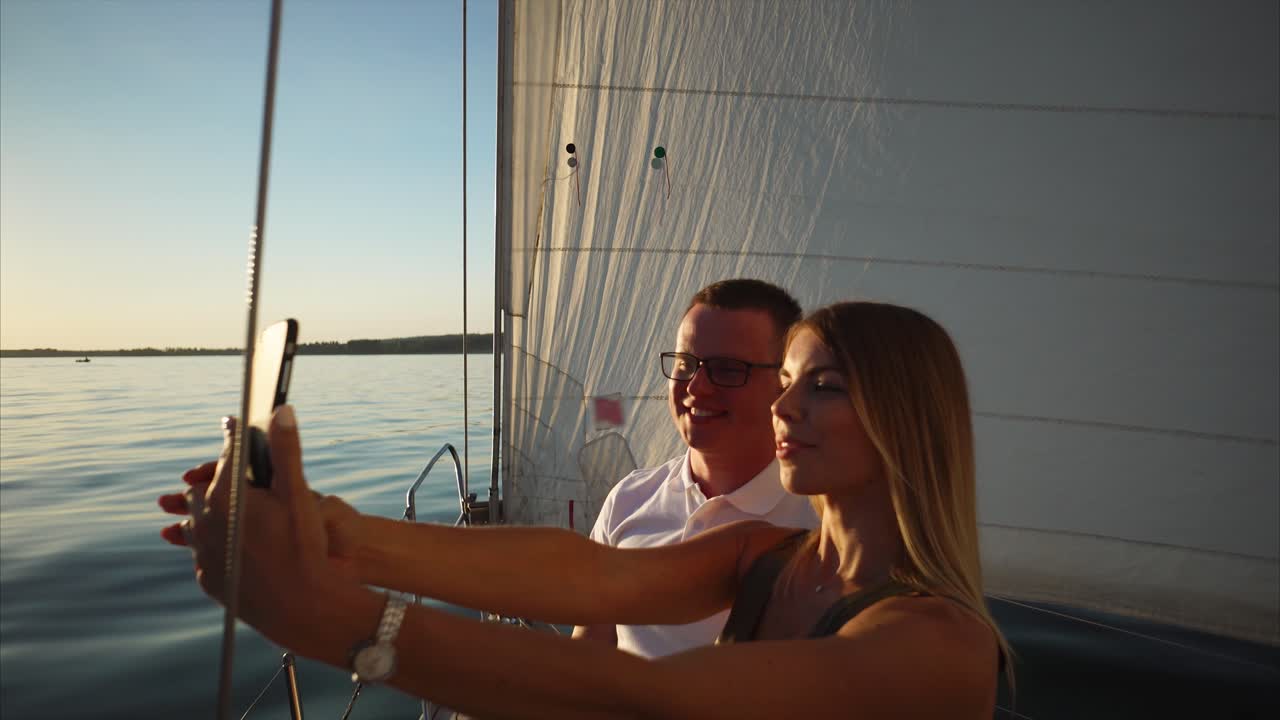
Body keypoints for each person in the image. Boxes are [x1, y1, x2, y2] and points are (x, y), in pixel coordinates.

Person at [160, 301, 1009, 718]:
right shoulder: (770, 557)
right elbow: (594, 577)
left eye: (824, 389)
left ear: (908, 417)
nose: (784, 411)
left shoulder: (938, 646)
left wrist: (340, 622)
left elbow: (644, 701)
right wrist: (332, 528)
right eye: (785, 385)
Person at [574, 278, 817, 657]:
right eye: (686, 363)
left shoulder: (824, 523)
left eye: (728, 369)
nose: (696, 387)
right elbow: (586, 658)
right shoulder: (629, 498)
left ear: (783, 384)